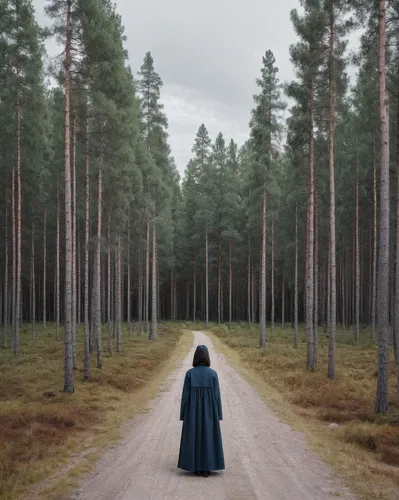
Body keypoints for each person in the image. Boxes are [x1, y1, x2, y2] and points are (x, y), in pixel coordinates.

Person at [177, 344, 225, 477]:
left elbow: (185, 396)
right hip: (210, 411)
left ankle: (196, 467)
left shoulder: (190, 374)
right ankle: (207, 467)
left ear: (195, 357)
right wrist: (218, 415)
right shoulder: (213, 374)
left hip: (192, 411)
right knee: (208, 435)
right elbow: (216, 396)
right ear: (207, 357)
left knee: (194, 435)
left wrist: (183, 414)